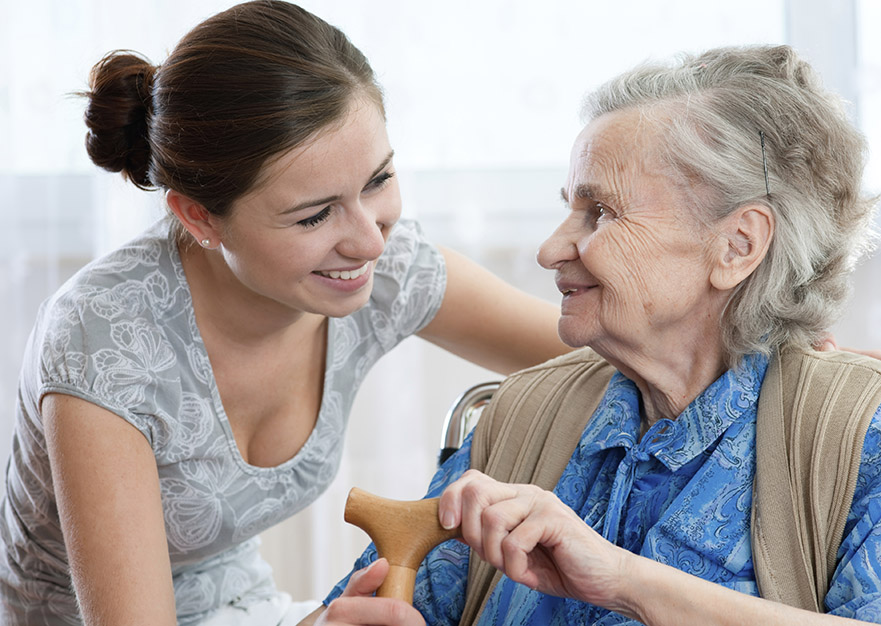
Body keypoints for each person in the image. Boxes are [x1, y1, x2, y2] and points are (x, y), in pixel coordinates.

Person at [0, 2, 572, 624]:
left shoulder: (385, 269)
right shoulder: (102, 342)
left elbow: (603, 349)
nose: (370, 241)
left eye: (377, 180)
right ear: (198, 216)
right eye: (313, 215)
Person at [314, 44, 881, 625]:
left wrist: (623, 580)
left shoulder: (858, 437)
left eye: (601, 212)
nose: (550, 250)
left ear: (737, 246)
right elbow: (357, 610)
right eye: (570, 208)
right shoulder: (525, 413)